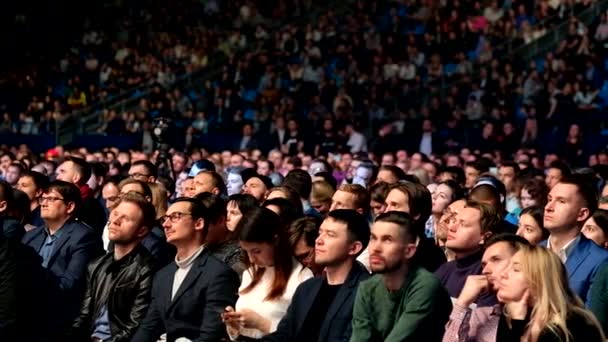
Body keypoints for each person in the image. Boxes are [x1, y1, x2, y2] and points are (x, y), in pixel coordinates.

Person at [133, 197, 240, 341]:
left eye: (175, 217)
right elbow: (148, 326)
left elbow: (211, 335)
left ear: (199, 223)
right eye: (165, 218)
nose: (166, 224)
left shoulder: (218, 273)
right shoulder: (163, 274)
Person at [263, 210, 371, 342]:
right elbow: (284, 335)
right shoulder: (307, 288)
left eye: (330, 235)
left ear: (354, 248)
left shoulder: (367, 291)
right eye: (320, 233)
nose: (318, 240)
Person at [350, 211, 452, 341]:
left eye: (387, 240)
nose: (375, 248)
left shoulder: (425, 285)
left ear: (409, 251)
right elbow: (359, 338)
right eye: (373, 238)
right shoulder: (367, 287)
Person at [68, 193, 157, 341]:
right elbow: (84, 315)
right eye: (115, 214)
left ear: (142, 231)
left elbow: (135, 325)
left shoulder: (147, 268)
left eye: (126, 218)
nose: (115, 221)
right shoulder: (97, 265)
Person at [21, 180, 104, 338]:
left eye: (51, 199)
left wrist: (32, 271)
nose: (44, 204)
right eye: (42, 199)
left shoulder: (84, 237)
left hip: (59, 316)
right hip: (26, 311)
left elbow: (70, 284)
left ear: (70, 206)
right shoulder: (31, 236)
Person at [222, 207, 314, 340]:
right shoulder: (250, 273)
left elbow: (302, 335)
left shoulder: (302, 278)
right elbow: (239, 335)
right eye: (246, 251)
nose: (252, 259)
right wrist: (234, 326)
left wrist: (262, 324)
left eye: (256, 251)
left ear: (275, 240)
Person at [496, 245, 604, 341]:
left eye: (516, 269)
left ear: (539, 280)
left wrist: (516, 327)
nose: (503, 274)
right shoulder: (511, 314)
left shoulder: (570, 326)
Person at [443, 234, 530, 342]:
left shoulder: (544, 320)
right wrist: (463, 303)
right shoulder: (483, 315)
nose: (485, 271)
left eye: (496, 260)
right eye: (484, 264)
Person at [541, 175, 608, 306]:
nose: (548, 207)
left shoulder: (601, 261)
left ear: (582, 214)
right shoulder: (531, 252)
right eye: (549, 199)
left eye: (561, 201)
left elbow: (593, 321)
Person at [435, 201, 502, 307]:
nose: (451, 228)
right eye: (454, 221)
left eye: (463, 224)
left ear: (484, 236)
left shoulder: (488, 276)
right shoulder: (444, 270)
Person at [196, 192, 245, 274]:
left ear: (220, 220)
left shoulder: (239, 254)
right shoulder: (200, 248)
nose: (197, 231)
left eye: (201, 225)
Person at [55, 157, 107, 234]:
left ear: (76, 178)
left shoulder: (89, 207)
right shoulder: (67, 200)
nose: (57, 177)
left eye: (63, 172)